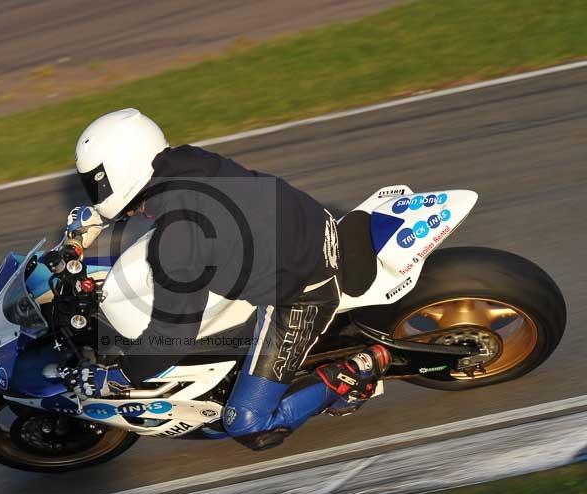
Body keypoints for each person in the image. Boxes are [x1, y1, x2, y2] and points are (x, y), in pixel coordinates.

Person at [58, 108, 391, 450]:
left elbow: (172, 338)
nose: (95, 191)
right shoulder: (185, 161)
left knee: (247, 423)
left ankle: (356, 370)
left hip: (307, 287)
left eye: (98, 182)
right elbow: (137, 201)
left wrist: (119, 376)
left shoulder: (178, 240)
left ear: (122, 169)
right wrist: (83, 231)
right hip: (307, 223)